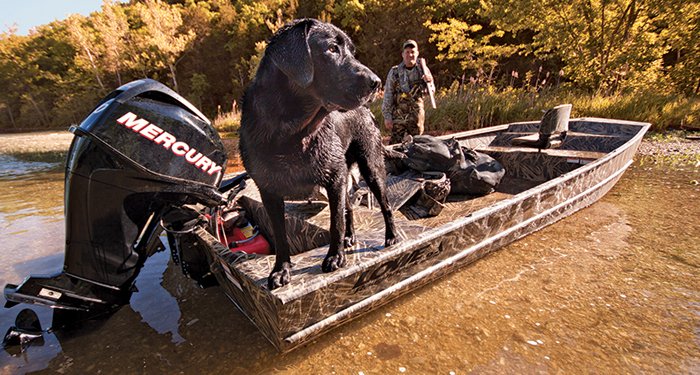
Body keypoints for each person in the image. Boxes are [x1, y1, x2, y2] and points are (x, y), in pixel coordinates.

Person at [382, 39, 434, 144]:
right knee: (395, 145)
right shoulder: (394, 72)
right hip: (398, 117)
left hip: (416, 118)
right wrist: (387, 116)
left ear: (417, 54)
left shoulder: (423, 69)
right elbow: (388, 94)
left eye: (412, 52)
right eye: (407, 52)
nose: (410, 55)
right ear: (402, 54)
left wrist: (428, 81)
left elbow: (431, 92)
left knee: (417, 145)